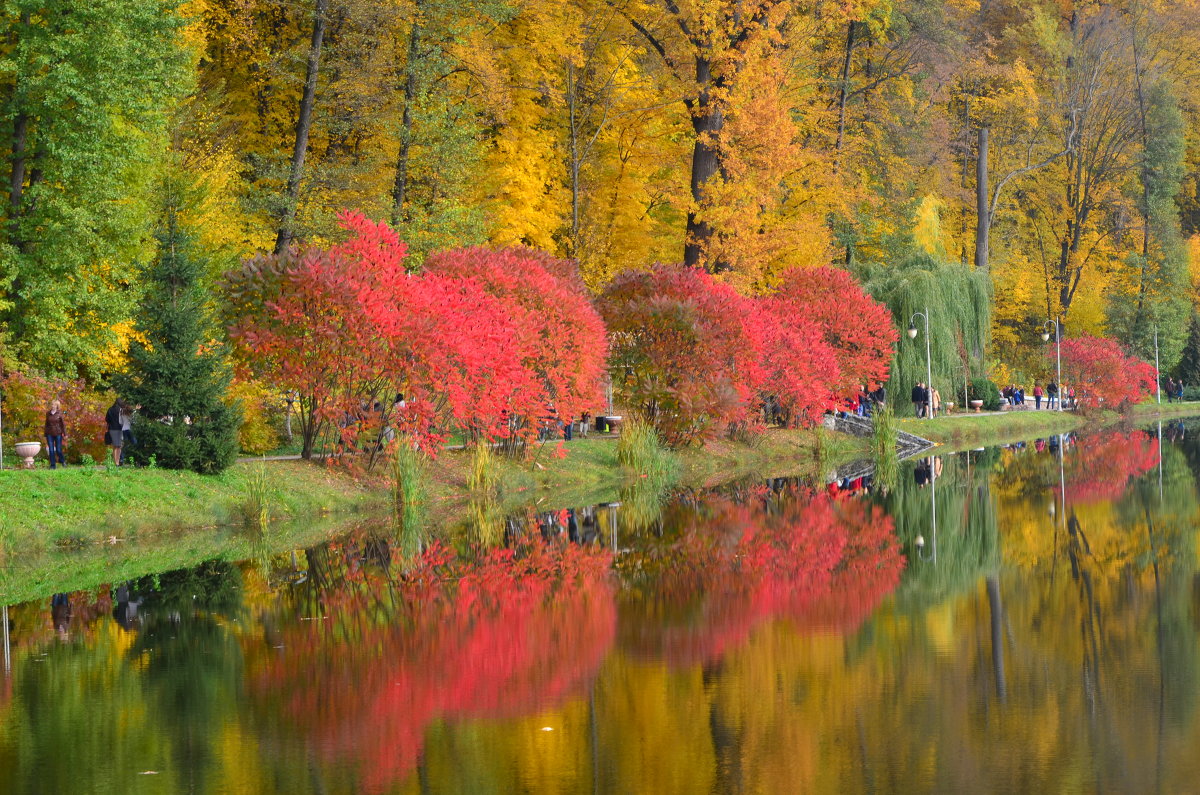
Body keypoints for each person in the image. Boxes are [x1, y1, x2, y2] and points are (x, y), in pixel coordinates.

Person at [44, 399, 66, 469]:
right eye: (52, 404)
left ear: (57, 406)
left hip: (58, 433)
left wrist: (65, 434)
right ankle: (52, 465)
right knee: (51, 450)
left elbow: (63, 424)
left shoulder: (59, 413)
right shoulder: (48, 413)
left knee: (58, 450)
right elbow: (46, 424)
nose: (52, 406)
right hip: (49, 434)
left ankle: (62, 461)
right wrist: (45, 434)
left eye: (54, 405)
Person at [105, 398, 125, 466]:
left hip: (111, 429)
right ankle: (117, 463)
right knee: (119, 446)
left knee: (114, 446)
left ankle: (115, 462)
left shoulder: (110, 409)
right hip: (119, 429)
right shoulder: (121, 410)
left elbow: (107, 419)